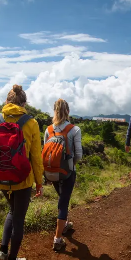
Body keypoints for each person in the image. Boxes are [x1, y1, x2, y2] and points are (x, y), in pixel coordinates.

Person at [0, 85, 44, 260]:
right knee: (19, 218)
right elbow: (36, 157)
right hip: (22, 179)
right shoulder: (31, 123)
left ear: (7, 101)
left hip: (1, 177)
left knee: (12, 211)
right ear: (24, 104)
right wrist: (39, 183)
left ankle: (3, 250)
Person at [44, 99, 82, 251]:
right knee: (64, 203)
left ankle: (65, 223)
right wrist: (70, 165)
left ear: (54, 111)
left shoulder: (48, 130)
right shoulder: (74, 130)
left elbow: (45, 152)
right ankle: (58, 238)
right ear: (68, 111)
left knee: (61, 198)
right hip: (67, 172)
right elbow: (79, 155)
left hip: (51, 172)